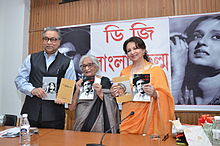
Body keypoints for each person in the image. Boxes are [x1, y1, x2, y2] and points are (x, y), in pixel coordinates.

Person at [111, 36, 175, 136]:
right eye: (129, 50)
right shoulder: (125, 72)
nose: (132, 52)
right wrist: (116, 93)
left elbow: (166, 96)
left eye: (135, 48)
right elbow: (123, 97)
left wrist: (155, 93)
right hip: (128, 118)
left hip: (148, 121)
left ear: (144, 50)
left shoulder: (155, 71)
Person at [15, 27, 76, 129]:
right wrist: (32, 90)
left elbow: (71, 84)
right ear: (42, 41)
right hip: (31, 113)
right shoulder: (31, 58)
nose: (49, 42)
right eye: (46, 39)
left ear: (59, 42)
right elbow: (19, 79)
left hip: (55, 115)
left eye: (53, 39)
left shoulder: (67, 62)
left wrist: (63, 96)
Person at [170, 15, 220, 105]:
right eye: (197, 36)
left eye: (216, 37)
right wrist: (178, 72)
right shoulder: (179, 90)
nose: (201, 42)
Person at [69, 55, 120, 133]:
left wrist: (100, 94)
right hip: (81, 124)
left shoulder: (104, 81)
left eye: (90, 65)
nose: (87, 68)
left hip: (100, 125)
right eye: (84, 66)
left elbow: (112, 105)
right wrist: (77, 90)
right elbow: (71, 108)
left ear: (96, 66)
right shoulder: (78, 82)